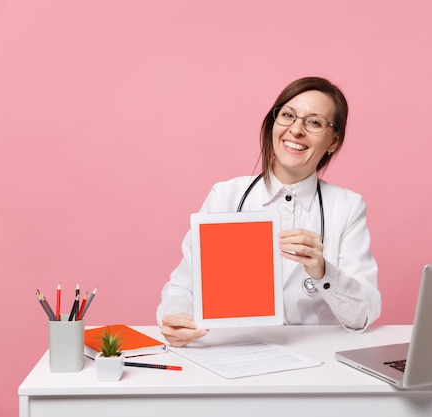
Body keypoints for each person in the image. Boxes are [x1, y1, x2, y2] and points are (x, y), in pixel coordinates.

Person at [156, 76, 381, 347]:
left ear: (333, 142)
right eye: (287, 115)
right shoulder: (226, 196)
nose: (296, 130)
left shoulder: (346, 206)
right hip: (236, 354)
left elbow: (362, 316)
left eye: (314, 122)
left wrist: (323, 272)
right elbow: (182, 287)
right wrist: (177, 317)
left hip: (316, 362)